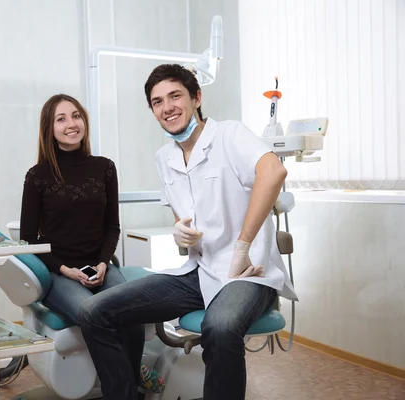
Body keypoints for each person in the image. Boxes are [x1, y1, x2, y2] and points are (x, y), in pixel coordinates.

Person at [77, 64, 298, 400]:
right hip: (199, 271)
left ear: (196, 97)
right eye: (157, 102)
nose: (167, 107)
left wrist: (242, 247)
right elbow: (184, 217)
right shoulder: (164, 156)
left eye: (175, 95)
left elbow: (273, 172)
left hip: (249, 273)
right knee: (94, 312)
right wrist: (180, 231)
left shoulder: (229, 134)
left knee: (220, 327)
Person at [19, 93, 145, 389]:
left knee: (133, 317)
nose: (71, 124)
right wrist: (65, 270)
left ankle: (131, 386)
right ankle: (124, 392)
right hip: (60, 273)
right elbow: (28, 239)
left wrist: (103, 263)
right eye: (61, 119)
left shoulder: (104, 168)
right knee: (96, 316)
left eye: (76, 116)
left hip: (100, 265)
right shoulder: (37, 176)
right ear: (49, 128)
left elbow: (112, 227)